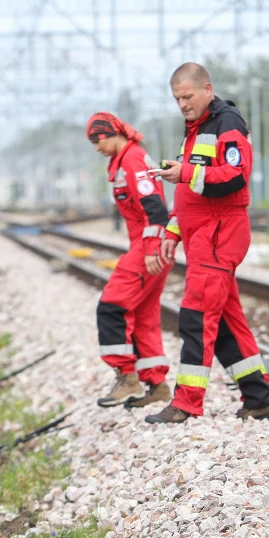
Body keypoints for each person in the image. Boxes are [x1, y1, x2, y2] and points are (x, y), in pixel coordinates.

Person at [152, 62, 269, 425]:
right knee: (224, 321)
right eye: (177, 99)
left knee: (196, 317)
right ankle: (259, 400)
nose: (183, 105)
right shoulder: (195, 129)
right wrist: (173, 232)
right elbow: (191, 194)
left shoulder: (227, 123)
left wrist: (186, 172)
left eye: (187, 96)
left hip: (219, 235)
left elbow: (235, 177)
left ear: (207, 89)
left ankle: (187, 403)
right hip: (201, 236)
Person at [87, 112, 175, 409]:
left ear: (111, 133)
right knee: (143, 319)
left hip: (149, 247)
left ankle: (127, 377)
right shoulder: (124, 159)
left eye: (96, 140)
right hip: (149, 246)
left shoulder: (132, 159)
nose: (96, 147)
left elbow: (156, 209)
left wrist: (151, 249)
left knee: (111, 307)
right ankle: (158, 386)